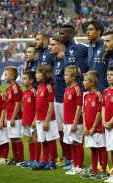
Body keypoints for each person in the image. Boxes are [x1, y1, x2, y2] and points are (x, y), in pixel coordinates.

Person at [82, 70, 108, 179]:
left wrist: (93, 127)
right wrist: (85, 126)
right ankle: (94, 169)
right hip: (88, 127)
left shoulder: (98, 94)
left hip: (97, 128)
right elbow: (83, 112)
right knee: (92, 148)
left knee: (101, 147)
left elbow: (99, 112)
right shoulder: (86, 95)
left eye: (85, 80)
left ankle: (103, 169)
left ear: (92, 82)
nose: (83, 82)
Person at [34, 64, 59, 170]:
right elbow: (38, 105)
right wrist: (36, 119)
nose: (36, 75)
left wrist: (47, 121)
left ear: (44, 74)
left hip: (48, 120)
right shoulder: (39, 87)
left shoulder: (48, 87)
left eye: (38, 73)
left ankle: (52, 161)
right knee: (43, 140)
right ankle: (44, 160)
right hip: (39, 119)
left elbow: (51, 105)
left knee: (50, 140)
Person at [49, 35, 69, 168]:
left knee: (68, 131)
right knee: (61, 131)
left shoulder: (66, 60)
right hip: (57, 100)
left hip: (65, 101)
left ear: (61, 46)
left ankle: (71, 158)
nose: (50, 47)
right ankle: (65, 156)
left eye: (53, 45)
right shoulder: (56, 61)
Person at [63, 65, 85, 175]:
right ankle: (74, 164)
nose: (64, 77)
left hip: (75, 122)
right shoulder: (67, 89)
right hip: (67, 121)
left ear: (73, 77)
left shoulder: (77, 89)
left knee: (77, 142)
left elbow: (79, 107)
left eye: (66, 75)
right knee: (71, 143)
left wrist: (75, 122)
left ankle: (79, 166)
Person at [3, 66, 24, 165]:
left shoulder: (16, 87)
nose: (4, 76)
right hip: (9, 117)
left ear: (12, 76)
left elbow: (18, 104)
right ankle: (16, 158)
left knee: (17, 138)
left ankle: (21, 159)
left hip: (15, 118)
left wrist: (12, 118)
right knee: (12, 137)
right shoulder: (8, 89)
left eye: (6, 74)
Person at [19, 71, 39, 168]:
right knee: (30, 140)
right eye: (22, 78)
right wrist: (23, 119)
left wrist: (35, 119)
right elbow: (23, 107)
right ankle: (31, 159)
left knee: (35, 139)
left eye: (25, 79)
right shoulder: (24, 92)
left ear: (31, 81)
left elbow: (37, 107)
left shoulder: (34, 92)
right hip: (26, 120)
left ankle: (37, 159)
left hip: (33, 121)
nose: (23, 80)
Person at [86, 20, 107, 91]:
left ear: (99, 32)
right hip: (92, 91)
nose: (87, 32)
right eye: (87, 30)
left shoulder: (106, 47)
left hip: (104, 90)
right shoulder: (89, 48)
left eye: (91, 29)